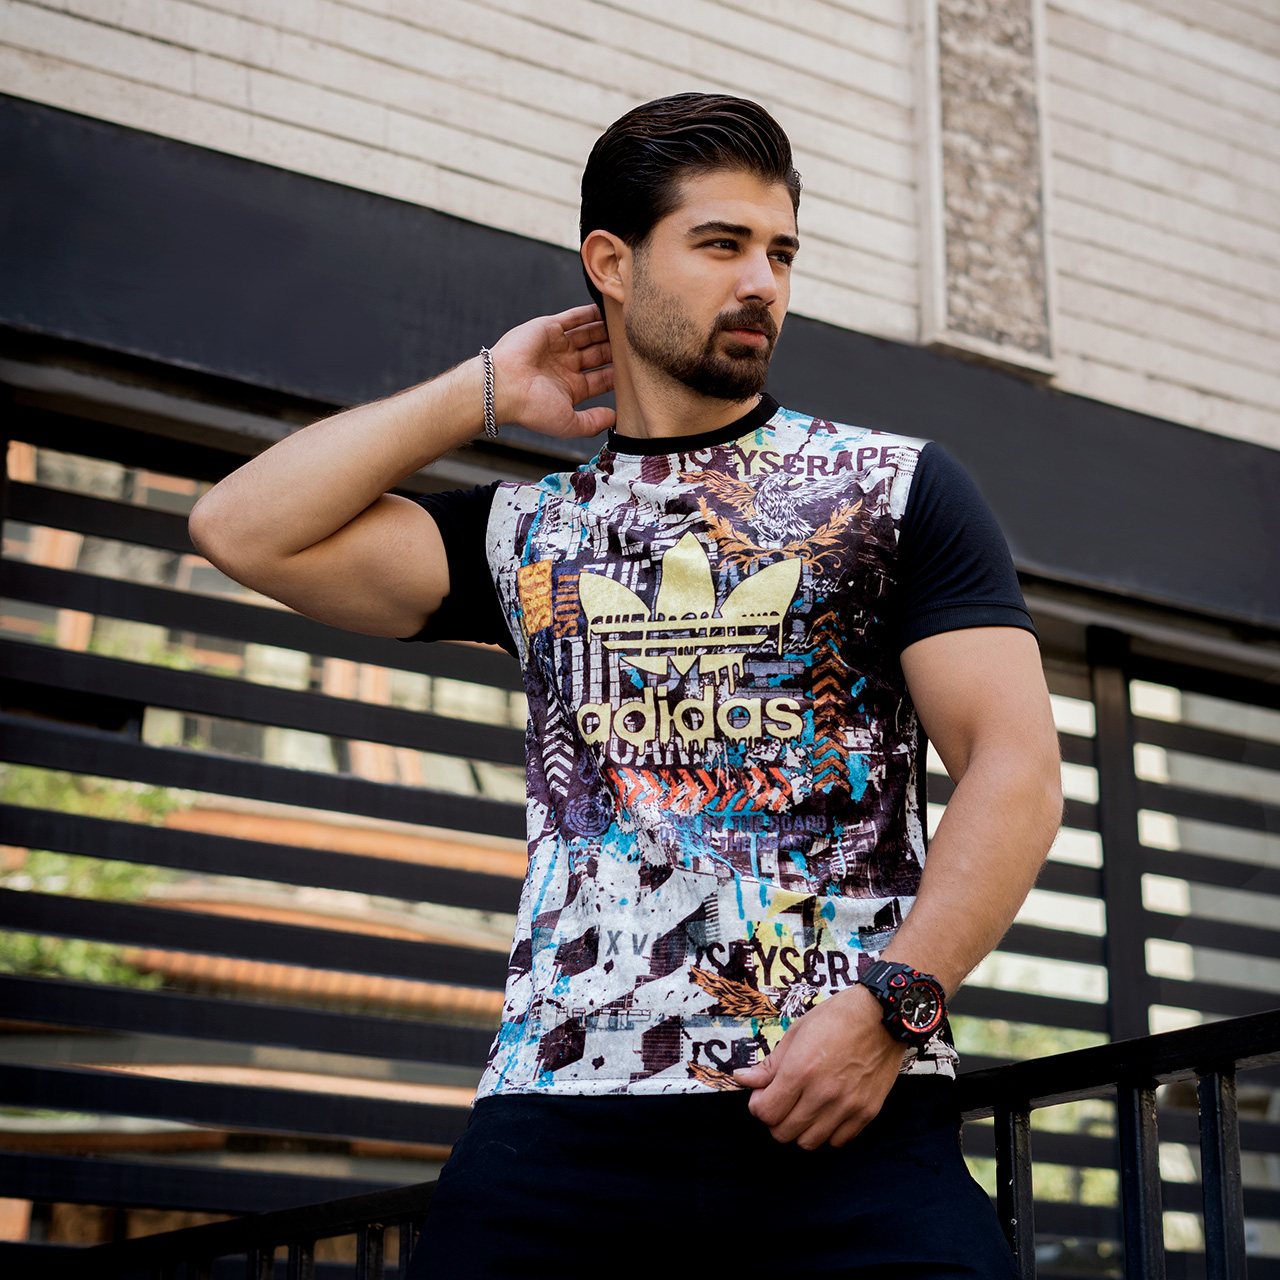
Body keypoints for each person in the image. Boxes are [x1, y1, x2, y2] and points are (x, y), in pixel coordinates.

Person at [191, 94, 1062, 1277]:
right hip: (561, 1119)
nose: (760, 281)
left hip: (837, 1105)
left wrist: (889, 1009)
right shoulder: (531, 532)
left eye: (780, 251)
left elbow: (1014, 766)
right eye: (720, 243)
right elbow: (241, 528)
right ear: (610, 261)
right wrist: (479, 392)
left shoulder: (892, 490)